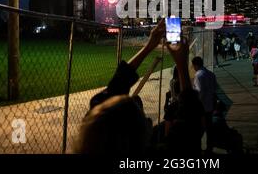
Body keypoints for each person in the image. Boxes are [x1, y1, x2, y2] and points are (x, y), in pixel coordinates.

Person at [76, 20, 205, 156]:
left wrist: (149, 46)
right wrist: (182, 65)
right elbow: (190, 129)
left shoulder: (94, 143)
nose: (148, 120)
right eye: (143, 117)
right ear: (139, 135)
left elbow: (107, 100)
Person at [192, 56, 217, 154]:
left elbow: (199, 92)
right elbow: (215, 88)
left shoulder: (198, 75)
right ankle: (209, 148)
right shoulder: (211, 73)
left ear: (196, 65)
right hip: (210, 105)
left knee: (199, 129)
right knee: (209, 128)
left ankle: (197, 148)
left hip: (201, 107)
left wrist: (196, 105)